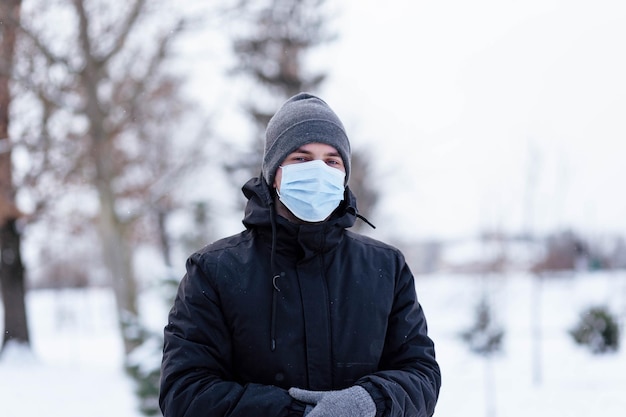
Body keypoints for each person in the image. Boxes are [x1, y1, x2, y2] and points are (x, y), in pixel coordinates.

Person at [159, 92, 441, 417]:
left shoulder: (386, 268)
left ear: (344, 176)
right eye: (302, 159)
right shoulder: (213, 271)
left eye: (332, 161)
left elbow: (421, 373)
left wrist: (370, 402)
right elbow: (184, 392)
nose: (319, 171)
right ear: (274, 173)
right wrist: (293, 413)